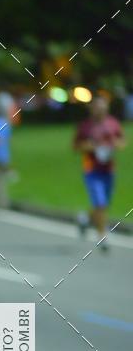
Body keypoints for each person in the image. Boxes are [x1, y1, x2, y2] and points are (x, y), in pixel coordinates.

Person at [74, 95, 126, 252]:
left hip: (108, 170)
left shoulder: (112, 124)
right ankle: (102, 236)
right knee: (101, 203)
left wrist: (115, 144)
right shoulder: (85, 126)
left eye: (103, 107)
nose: (100, 110)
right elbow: (76, 145)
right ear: (92, 109)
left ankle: (85, 219)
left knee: (102, 205)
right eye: (97, 107)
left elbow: (122, 141)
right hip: (91, 169)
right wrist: (90, 147)